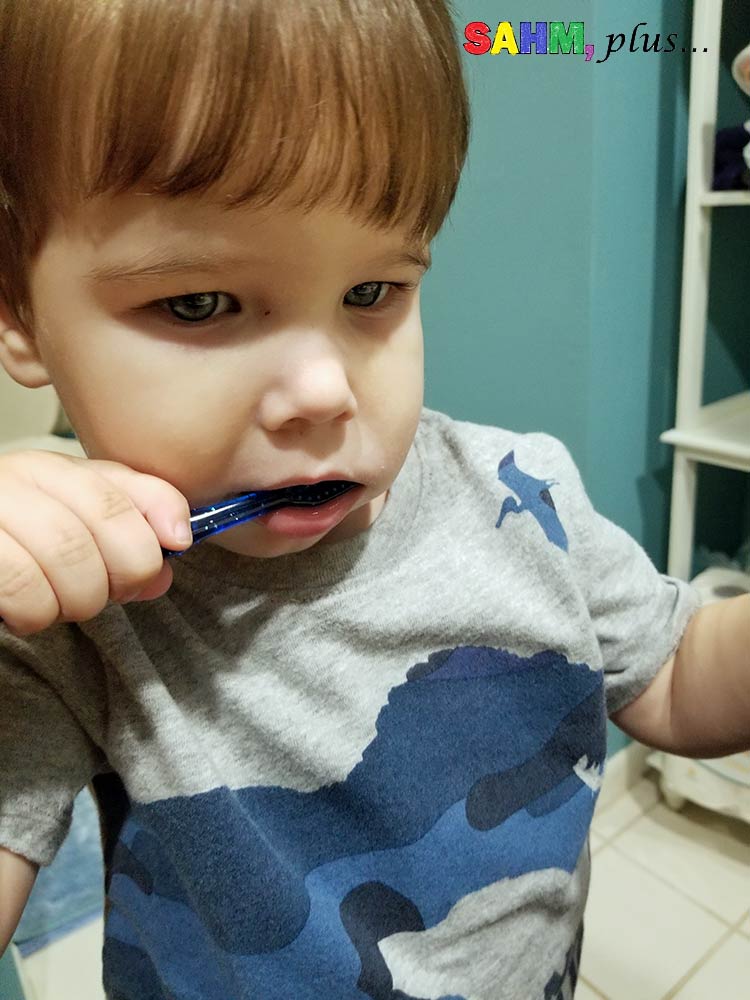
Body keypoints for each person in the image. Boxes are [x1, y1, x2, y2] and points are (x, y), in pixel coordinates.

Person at [0, 2, 747, 998]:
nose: (325, 390)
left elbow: (679, 679)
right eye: (197, 303)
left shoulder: (528, 496)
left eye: (373, 293)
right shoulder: (62, 619)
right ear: (20, 312)